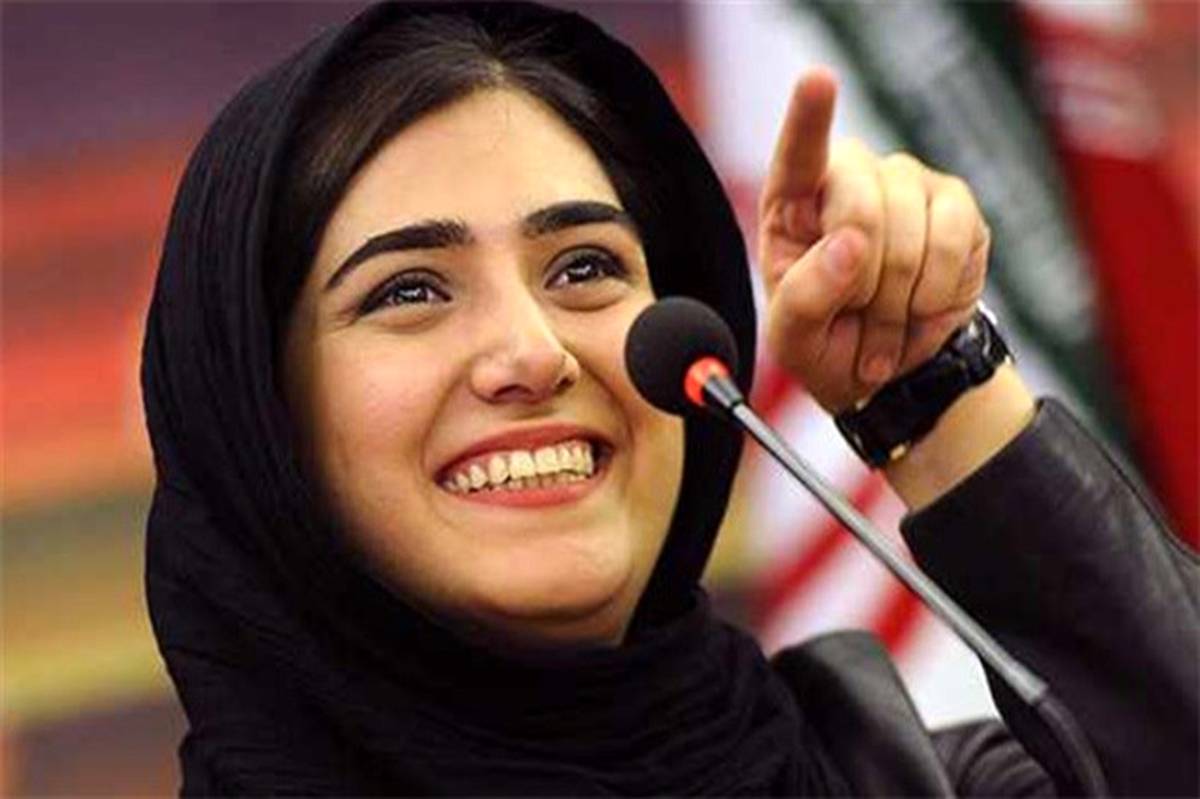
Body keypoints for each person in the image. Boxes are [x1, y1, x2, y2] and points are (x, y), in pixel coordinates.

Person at [141, 2, 1198, 795]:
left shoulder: (900, 777)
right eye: (409, 291)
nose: (534, 353)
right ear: (256, 419)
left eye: (585, 268)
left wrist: (927, 384)